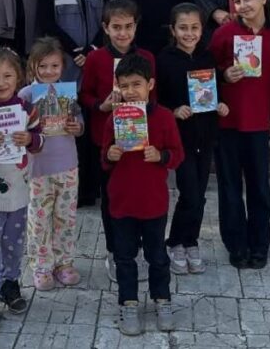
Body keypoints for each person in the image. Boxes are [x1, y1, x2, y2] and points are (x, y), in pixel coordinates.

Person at [208, 0, 270, 270]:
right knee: (230, 188)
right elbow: (204, 72)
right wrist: (222, 74)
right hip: (228, 122)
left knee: (259, 189)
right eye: (237, 0)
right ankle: (236, 244)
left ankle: (259, 244)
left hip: (257, 124)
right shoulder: (224, 35)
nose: (242, 5)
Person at [101, 54, 184, 336]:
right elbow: (103, 158)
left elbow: (178, 155)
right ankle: (128, 302)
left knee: (157, 256)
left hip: (153, 203)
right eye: (124, 86)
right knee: (124, 257)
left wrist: (160, 156)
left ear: (150, 84)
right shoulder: (114, 118)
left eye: (136, 84)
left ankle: (162, 300)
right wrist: (111, 154)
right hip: (122, 203)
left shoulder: (164, 118)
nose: (130, 91)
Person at [78, 0, 156, 280]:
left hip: (140, 141)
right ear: (105, 28)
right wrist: (102, 105)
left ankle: (139, 249)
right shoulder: (97, 59)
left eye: (128, 27)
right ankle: (115, 250)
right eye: (116, 27)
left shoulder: (146, 58)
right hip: (107, 142)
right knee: (112, 200)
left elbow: (154, 98)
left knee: (139, 197)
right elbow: (84, 94)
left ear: (136, 27)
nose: (122, 33)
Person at [0, 47, 43, 329]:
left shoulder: (28, 110)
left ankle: (9, 283)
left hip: (19, 190)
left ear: (19, 78)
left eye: (7, 76)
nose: (1, 83)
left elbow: (41, 140)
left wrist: (30, 139)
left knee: (14, 242)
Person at [156, 3, 229, 274]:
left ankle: (191, 241)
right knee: (189, 192)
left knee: (200, 194)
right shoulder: (163, 59)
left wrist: (220, 106)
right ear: (173, 30)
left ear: (202, 29)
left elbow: (213, 93)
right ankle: (175, 241)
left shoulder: (207, 57)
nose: (189, 33)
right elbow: (157, 101)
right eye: (183, 28)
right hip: (179, 138)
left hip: (206, 134)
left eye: (195, 27)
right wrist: (173, 111)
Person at [38, 0, 105, 207]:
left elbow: (108, 20)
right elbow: (46, 23)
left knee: (92, 127)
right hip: (64, 68)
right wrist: (75, 51)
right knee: (66, 127)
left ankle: (91, 189)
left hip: (93, 66)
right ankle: (68, 191)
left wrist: (91, 51)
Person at [19, 37, 85, 291]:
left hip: (68, 165)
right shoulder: (26, 95)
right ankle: (41, 265)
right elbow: (16, 128)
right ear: (33, 66)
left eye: (54, 66)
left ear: (62, 67)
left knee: (65, 218)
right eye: (43, 66)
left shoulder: (68, 93)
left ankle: (64, 263)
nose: (49, 71)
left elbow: (79, 124)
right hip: (37, 169)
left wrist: (76, 127)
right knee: (39, 218)